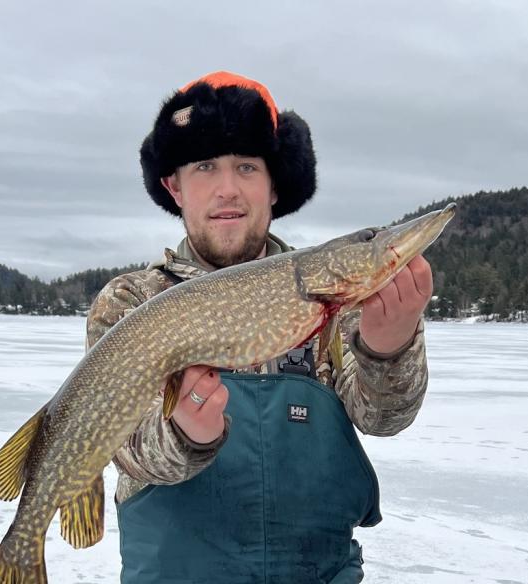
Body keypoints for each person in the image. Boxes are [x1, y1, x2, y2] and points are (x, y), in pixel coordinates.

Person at [86, 71, 432, 583]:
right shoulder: (132, 302)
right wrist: (186, 435)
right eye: (205, 166)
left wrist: (389, 348)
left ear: (275, 188)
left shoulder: (334, 293)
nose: (228, 189)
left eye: (247, 166)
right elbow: (128, 453)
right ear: (174, 187)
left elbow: (384, 418)